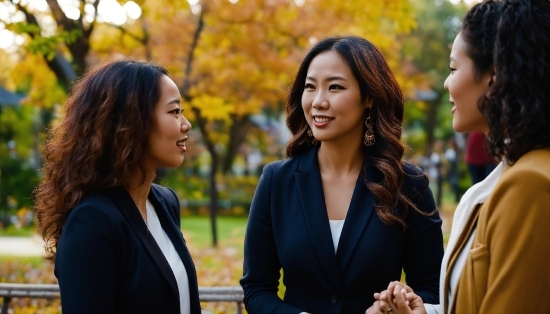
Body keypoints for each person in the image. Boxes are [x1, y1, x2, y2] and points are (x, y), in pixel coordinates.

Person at [240, 36, 444, 314]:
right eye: (310, 87)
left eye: (335, 87)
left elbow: (432, 289)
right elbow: (257, 289)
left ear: (369, 97)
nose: (318, 102)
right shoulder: (277, 181)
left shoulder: (408, 184)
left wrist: (399, 305)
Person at [372, 0, 550, 313]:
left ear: (494, 76)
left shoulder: (530, 183)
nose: (446, 82)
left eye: (453, 69)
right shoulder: (514, 172)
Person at [34, 60, 202, 313]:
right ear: (133, 121)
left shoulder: (165, 202)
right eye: (174, 111)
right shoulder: (92, 222)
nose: (186, 124)